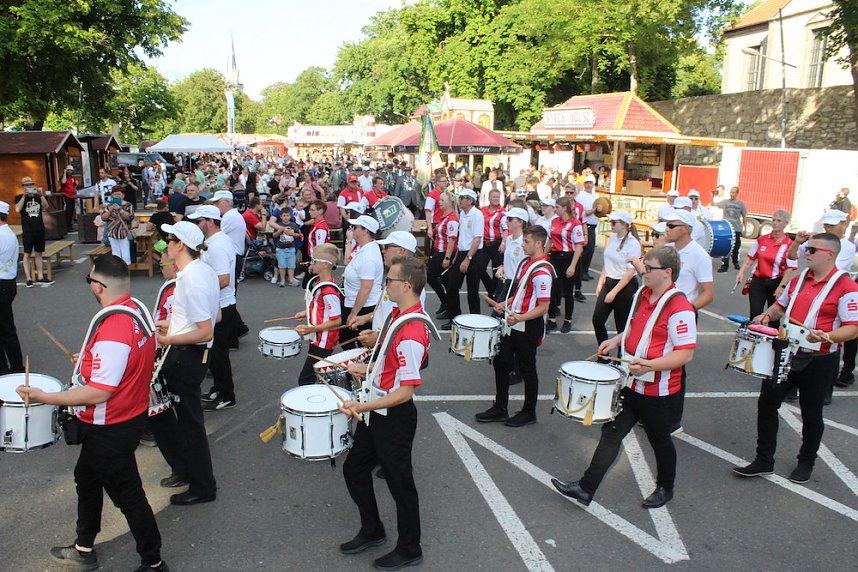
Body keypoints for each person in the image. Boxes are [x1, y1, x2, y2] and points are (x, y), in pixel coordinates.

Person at [16, 254, 168, 572]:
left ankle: (153, 562)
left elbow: (100, 391)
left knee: (128, 495)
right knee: (85, 477)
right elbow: (132, 358)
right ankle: (84, 546)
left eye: (89, 280)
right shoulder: (136, 310)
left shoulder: (113, 328)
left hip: (110, 426)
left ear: (98, 286)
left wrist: (45, 396)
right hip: (129, 416)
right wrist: (89, 361)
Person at [552, 246, 697, 509]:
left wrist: (651, 365)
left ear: (667, 272)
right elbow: (633, 328)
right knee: (611, 433)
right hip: (631, 382)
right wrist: (615, 340)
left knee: (660, 441)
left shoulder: (680, 307)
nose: (644, 271)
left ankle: (666, 487)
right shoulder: (643, 293)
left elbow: (685, 354)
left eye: (649, 268)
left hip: (659, 392)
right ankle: (586, 488)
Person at [733, 233, 858, 484]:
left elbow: (853, 328)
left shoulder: (847, 286)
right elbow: (781, 306)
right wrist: (767, 315)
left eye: (812, 250)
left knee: (811, 414)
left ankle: (806, 461)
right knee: (767, 404)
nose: (806, 253)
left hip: (820, 360)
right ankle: (764, 459)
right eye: (807, 249)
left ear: (829, 254)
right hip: (787, 352)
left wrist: (827, 336)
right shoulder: (800, 278)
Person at [339, 256, 431, 571]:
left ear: (406, 285)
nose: (385, 285)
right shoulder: (398, 314)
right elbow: (389, 359)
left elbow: (406, 391)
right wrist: (366, 366)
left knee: (400, 484)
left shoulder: (412, 331)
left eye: (390, 280)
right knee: (354, 470)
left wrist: (360, 406)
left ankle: (409, 548)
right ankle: (373, 529)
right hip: (378, 410)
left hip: (394, 416)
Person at [149, 221, 220, 505]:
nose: (166, 244)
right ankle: (192, 475)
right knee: (184, 422)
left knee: (191, 425)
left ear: (181, 245)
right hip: (189, 354)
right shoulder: (200, 271)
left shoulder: (192, 277)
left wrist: (167, 339)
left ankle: (203, 487)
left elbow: (206, 330)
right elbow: (209, 317)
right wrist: (171, 324)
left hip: (187, 357)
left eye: (170, 239)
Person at [476, 225, 553, 427]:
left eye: (526, 241)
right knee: (501, 362)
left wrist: (520, 317)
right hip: (515, 321)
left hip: (528, 325)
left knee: (527, 368)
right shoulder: (527, 263)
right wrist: (506, 303)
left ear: (538, 243)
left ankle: (529, 411)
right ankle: (500, 407)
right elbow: (522, 293)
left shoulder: (542, 270)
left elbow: (544, 306)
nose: (523, 244)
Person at [188, 206, 239, 411]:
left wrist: (198, 288)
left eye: (197, 221)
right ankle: (219, 389)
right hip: (221, 305)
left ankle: (227, 395)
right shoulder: (216, 241)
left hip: (221, 306)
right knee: (216, 354)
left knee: (219, 355)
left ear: (209, 221)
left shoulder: (216, 246)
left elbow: (224, 279)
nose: (196, 225)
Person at [294, 243, 342, 386]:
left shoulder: (328, 290)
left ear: (326, 265)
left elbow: (337, 320)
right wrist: (306, 312)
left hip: (324, 341)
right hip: (318, 338)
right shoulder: (319, 282)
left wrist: (311, 329)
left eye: (315, 260)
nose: (311, 263)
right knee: (316, 376)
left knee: (306, 379)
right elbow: (319, 306)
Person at [735, 209, 797, 320]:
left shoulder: (789, 244)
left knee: (773, 317)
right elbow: (751, 258)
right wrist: (741, 272)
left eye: (779, 221)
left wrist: (781, 286)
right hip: (758, 281)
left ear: (785, 224)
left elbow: (789, 269)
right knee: (755, 314)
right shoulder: (762, 240)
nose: (775, 223)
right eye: (773, 220)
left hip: (776, 282)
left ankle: (772, 336)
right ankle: (753, 335)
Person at [592, 210, 641, 346]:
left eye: (614, 222)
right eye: (610, 222)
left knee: (622, 324)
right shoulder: (613, 238)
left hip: (625, 286)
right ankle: (604, 353)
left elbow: (630, 273)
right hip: (609, 281)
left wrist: (614, 292)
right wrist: (601, 281)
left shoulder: (633, 243)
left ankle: (621, 358)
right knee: (598, 320)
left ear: (625, 225)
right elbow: (607, 261)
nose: (611, 225)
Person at [442, 189, 484, 327]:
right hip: (462, 253)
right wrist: (458, 256)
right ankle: (455, 317)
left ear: (470, 200)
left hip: (474, 255)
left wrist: (468, 258)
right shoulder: (462, 214)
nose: (459, 200)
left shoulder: (477, 215)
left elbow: (477, 239)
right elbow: (463, 236)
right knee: (452, 286)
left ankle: (475, 320)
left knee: (472, 291)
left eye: (463, 198)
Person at [341, 215, 384, 347]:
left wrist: (354, 313)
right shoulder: (364, 249)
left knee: (357, 345)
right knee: (347, 342)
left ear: (365, 231)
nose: (352, 230)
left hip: (363, 307)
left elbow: (366, 288)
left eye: (355, 227)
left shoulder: (369, 255)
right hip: (357, 304)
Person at [546, 197, 585, 333]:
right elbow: (550, 241)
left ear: (564, 208)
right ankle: (551, 319)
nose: (555, 209)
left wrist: (573, 265)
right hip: (555, 256)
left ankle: (568, 319)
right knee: (553, 289)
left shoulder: (575, 224)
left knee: (568, 291)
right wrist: (544, 257)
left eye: (557, 207)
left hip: (568, 257)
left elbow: (579, 246)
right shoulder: (554, 221)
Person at [662, 210, 714, 311]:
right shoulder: (666, 249)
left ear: (686, 229)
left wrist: (686, 310)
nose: (667, 229)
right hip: (661, 310)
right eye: (667, 225)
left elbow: (708, 294)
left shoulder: (700, 255)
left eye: (671, 226)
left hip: (681, 315)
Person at [15, 176, 53, 287]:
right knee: (27, 254)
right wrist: (24, 196)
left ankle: (40, 276)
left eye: (31, 185)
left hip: (39, 228)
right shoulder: (19, 197)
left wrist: (41, 195)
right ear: (23, 187)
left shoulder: (37, 197)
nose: (29, 187)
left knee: (39, 253)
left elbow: (46, 206)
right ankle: (28, 278)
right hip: (27, 229)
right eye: (27, 185)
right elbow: (17, 209)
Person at [0, 201, 24, 375]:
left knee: (6, 329)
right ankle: (5, 365)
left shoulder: (3, 235)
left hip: (2, 284)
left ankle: (16, 367)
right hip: (7, 283)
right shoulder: (7, 233)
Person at [427, 192, 458, 319]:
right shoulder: (444, 217)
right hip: (438, 252)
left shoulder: (452, 219)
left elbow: (452, 239)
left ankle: (449, 307)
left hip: (444, 253)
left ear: (450, 203)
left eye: (442, 200)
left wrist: (447, 257)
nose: (439, 202)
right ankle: (445, 302)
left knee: (445, 282)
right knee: (433, 278)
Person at [477, 188, 506, 299]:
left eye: (497, 197)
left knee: (496, 270)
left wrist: (503, 243)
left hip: (497, 243)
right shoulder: (482, 210)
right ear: (489, 198)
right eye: (493, 196)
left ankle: (494, 295)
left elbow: (505, 229)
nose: (495, 199)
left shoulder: (502, 212)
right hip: (485, 243)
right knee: (480, 268)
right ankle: (491, 289)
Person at [716, 186, 747, 272]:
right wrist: (712, 196)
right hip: (727, 228)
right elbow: (713, 204)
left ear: (737, 193)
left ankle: (736, 262)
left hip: (736, 228)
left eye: (734, 192)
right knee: (726, 246)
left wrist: (745, 228)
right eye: (731, 192)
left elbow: (744, 216)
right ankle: (724, 265)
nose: (732, 194)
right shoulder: (725, 202)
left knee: (736, 246)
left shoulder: (741, 204)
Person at [100, 186, 135, 264]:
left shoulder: (128, 205)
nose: (117, 196)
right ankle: (118, 273)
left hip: (124, 233)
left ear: (123, 195)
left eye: (119, 194)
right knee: (115, 254)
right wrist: (110, 211)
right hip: (112, 233)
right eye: (115, 194)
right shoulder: (109, 206)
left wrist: (120, 210)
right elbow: (103, 218)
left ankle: (126, 272)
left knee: (125, 254)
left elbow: (130, 217)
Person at [272, 207, 301, 287]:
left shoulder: (293, 225)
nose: (286, 217)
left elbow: (298, 234)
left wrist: (291, 234)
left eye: (287, 215)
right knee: (282, 265)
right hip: (281, 248)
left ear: (290, 216)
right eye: (284, 216)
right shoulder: (278, 225)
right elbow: (274, 235)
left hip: (291, 248)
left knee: (291, 265)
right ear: (281, 216)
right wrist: (279, 231)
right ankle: (282, 280)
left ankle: (291, 279)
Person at [577, 175, 599, 281]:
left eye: (590, 183)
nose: (589, 185)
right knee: (587, 250)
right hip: (585, 225)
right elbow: (582, 213)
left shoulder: (596, 196)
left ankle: (584, 271)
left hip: (593, 225)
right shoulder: (580, 196)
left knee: (590, 250)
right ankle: (581, 272)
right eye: (587, 183)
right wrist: (594, 210)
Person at [60, 165, 77, 231]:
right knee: (68, 211)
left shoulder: (72, 178)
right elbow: (63, 182)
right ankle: (67, 226)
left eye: (71, 170)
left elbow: (74, 186)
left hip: (72, 196)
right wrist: (64, 173)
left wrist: (75, 194)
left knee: (72, 211)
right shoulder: (64, 177)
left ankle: (70, 225)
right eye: (68, 170)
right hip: (66, 196)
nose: (70, 172)